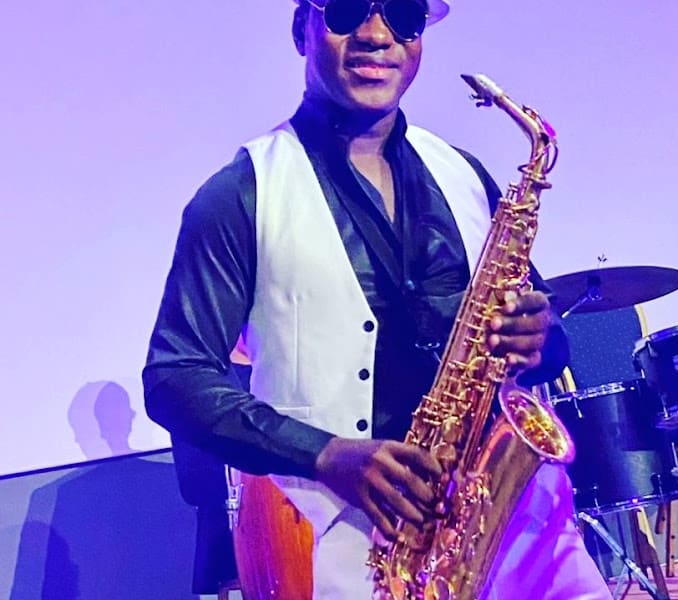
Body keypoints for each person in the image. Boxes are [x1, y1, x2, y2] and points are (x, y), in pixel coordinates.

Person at [143, 0, 612, 598]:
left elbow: (548, 342)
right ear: (301, 30)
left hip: (523, 529)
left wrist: (539, 336)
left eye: (404, 14)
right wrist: (327, 455)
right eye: (346, 10)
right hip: (362, 550)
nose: (376, 34)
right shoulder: (239, 194)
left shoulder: (464, 173)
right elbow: (174, 377)